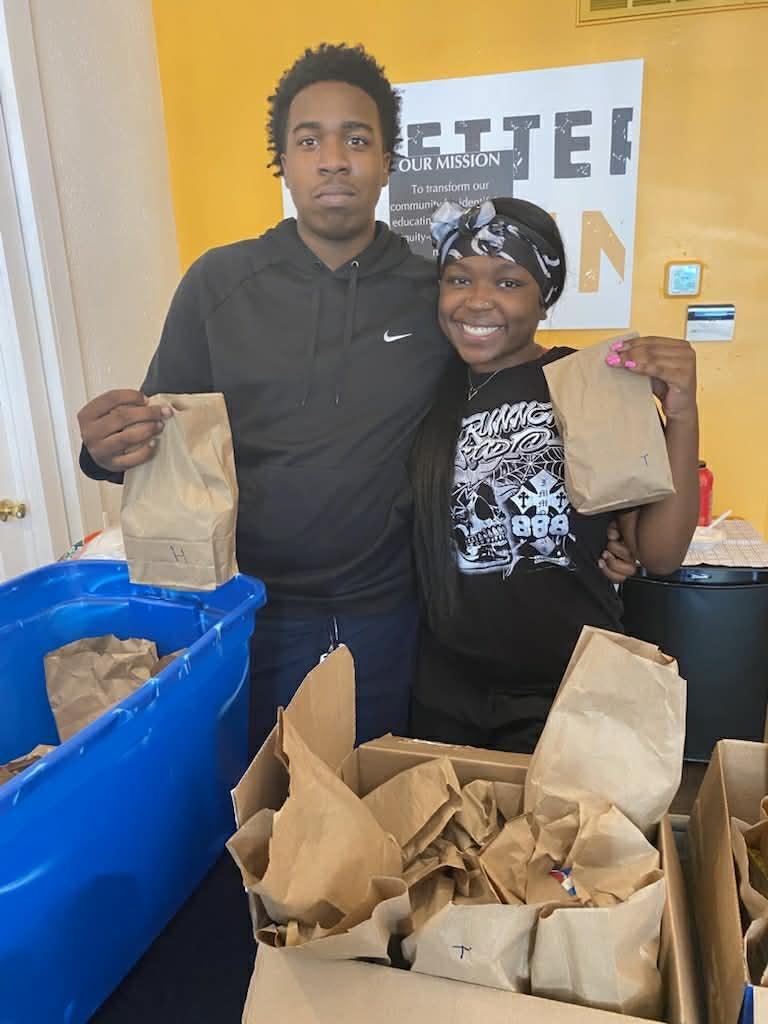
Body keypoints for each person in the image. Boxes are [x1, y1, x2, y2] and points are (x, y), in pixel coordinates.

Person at [76, 44, 636, 754]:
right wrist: (105, 450)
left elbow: (509, 407)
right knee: (258, 797)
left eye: (357, 139)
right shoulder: (217, 284)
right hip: (250, 609)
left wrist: (596, 530)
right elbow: (158, 440)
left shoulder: (435, 293)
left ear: (387, 162)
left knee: (377, 801)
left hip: (395, 618)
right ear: (283, 162)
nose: (334, 160)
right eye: (310, 141)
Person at [409, 197, 699, 753]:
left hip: (569, 686)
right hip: (445, 688)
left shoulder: (586, 381)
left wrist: (682, 414)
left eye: (509, 281)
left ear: (545, 297)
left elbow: (659, 552)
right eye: (459, 278)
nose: (478, 299)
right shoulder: (423, 392)